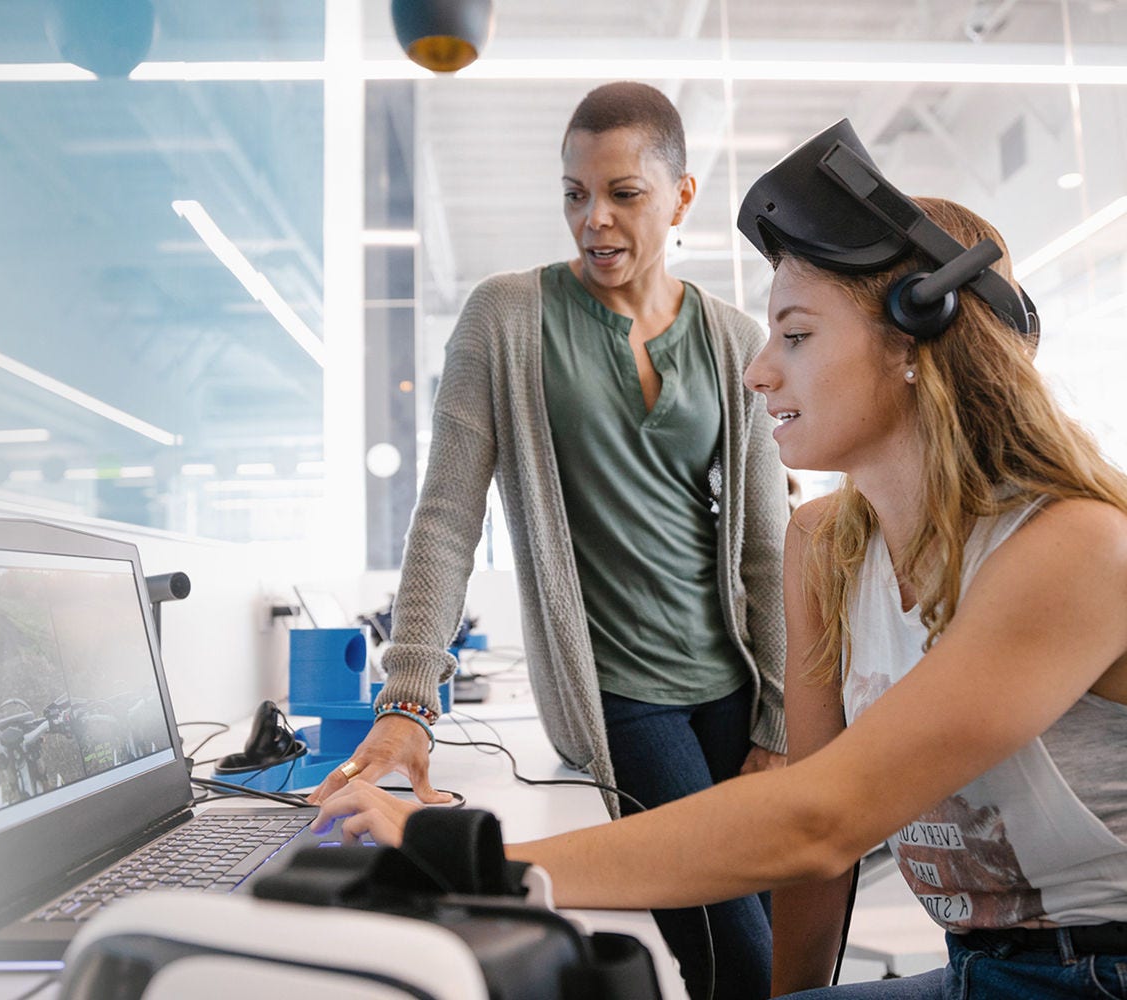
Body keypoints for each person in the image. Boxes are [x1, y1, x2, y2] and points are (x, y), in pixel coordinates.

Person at [312, 118, 1127, 999]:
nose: (758, 368)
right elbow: (818, 856)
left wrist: (476, 855)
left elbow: (818, 816)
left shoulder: (1073, 543)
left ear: (918, 341)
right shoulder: (829, 544)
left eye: (797, 334)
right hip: (980, 972)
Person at [307, 81, 788, 1000]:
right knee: (740, 960)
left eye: (623, 194)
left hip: (732, 690)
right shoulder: (507, 317)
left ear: (682, 196)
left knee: (770, 938)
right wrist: (408, 699)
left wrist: (776, 716)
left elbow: (766, 547)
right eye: (574, 194)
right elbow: (448, 518)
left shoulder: (733, 339)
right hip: (620, 694)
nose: (593, 220)